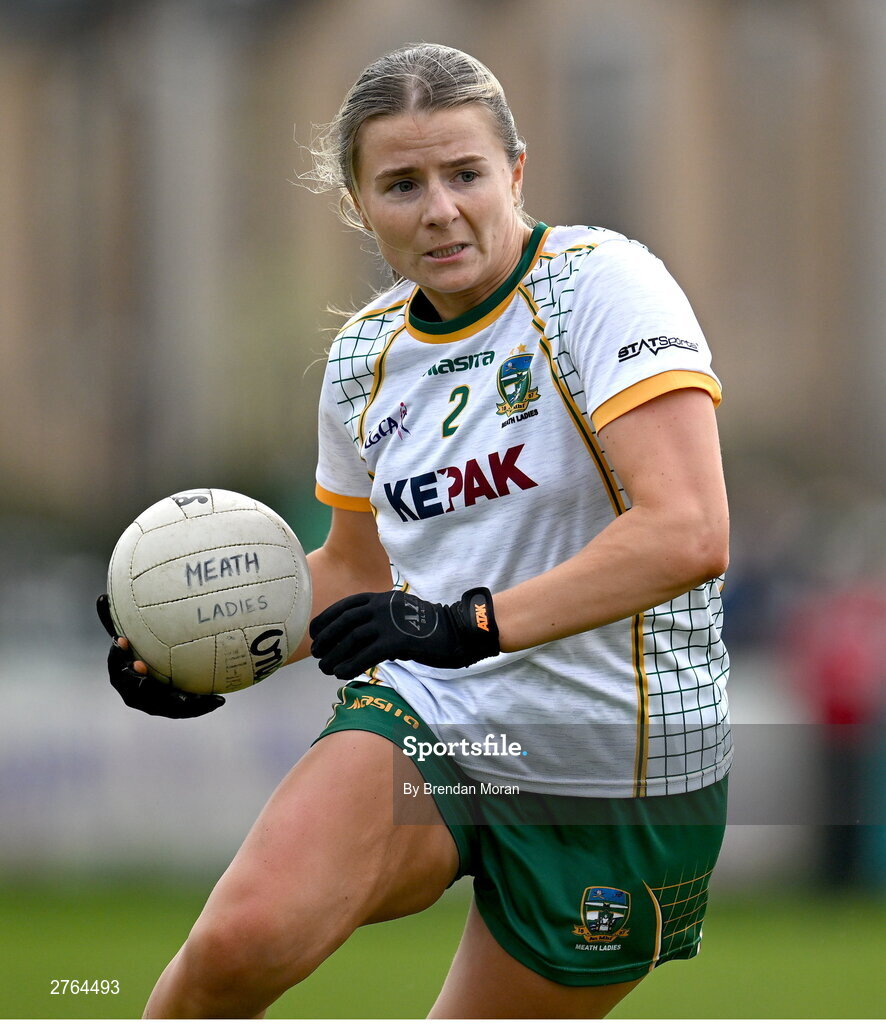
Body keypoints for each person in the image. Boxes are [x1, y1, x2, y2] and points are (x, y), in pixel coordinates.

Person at [97, 42, 732, 1019]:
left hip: (617, 762)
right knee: (238, 941)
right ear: (359, 205)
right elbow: (356, 574)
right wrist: (203, 645)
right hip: (436, 713)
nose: (438, 209)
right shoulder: (365, 355)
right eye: (401, 184)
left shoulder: (604, 287)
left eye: (464, 173)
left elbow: (688, 532)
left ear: (514, 172)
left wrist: (464, 624)